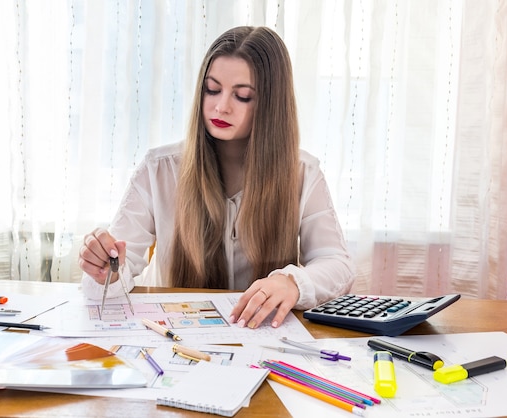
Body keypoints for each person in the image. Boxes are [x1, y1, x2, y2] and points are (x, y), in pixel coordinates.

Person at [79, 25, 354, 330]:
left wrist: (292, 282)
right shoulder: (158, 169)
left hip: (265, 340)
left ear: (270, 105)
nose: (221, 106)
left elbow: (337, 264)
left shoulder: (304, 172)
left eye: (243, 95)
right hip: (172, 340)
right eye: (212, 89)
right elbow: (113, 272)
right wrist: (106, 268)